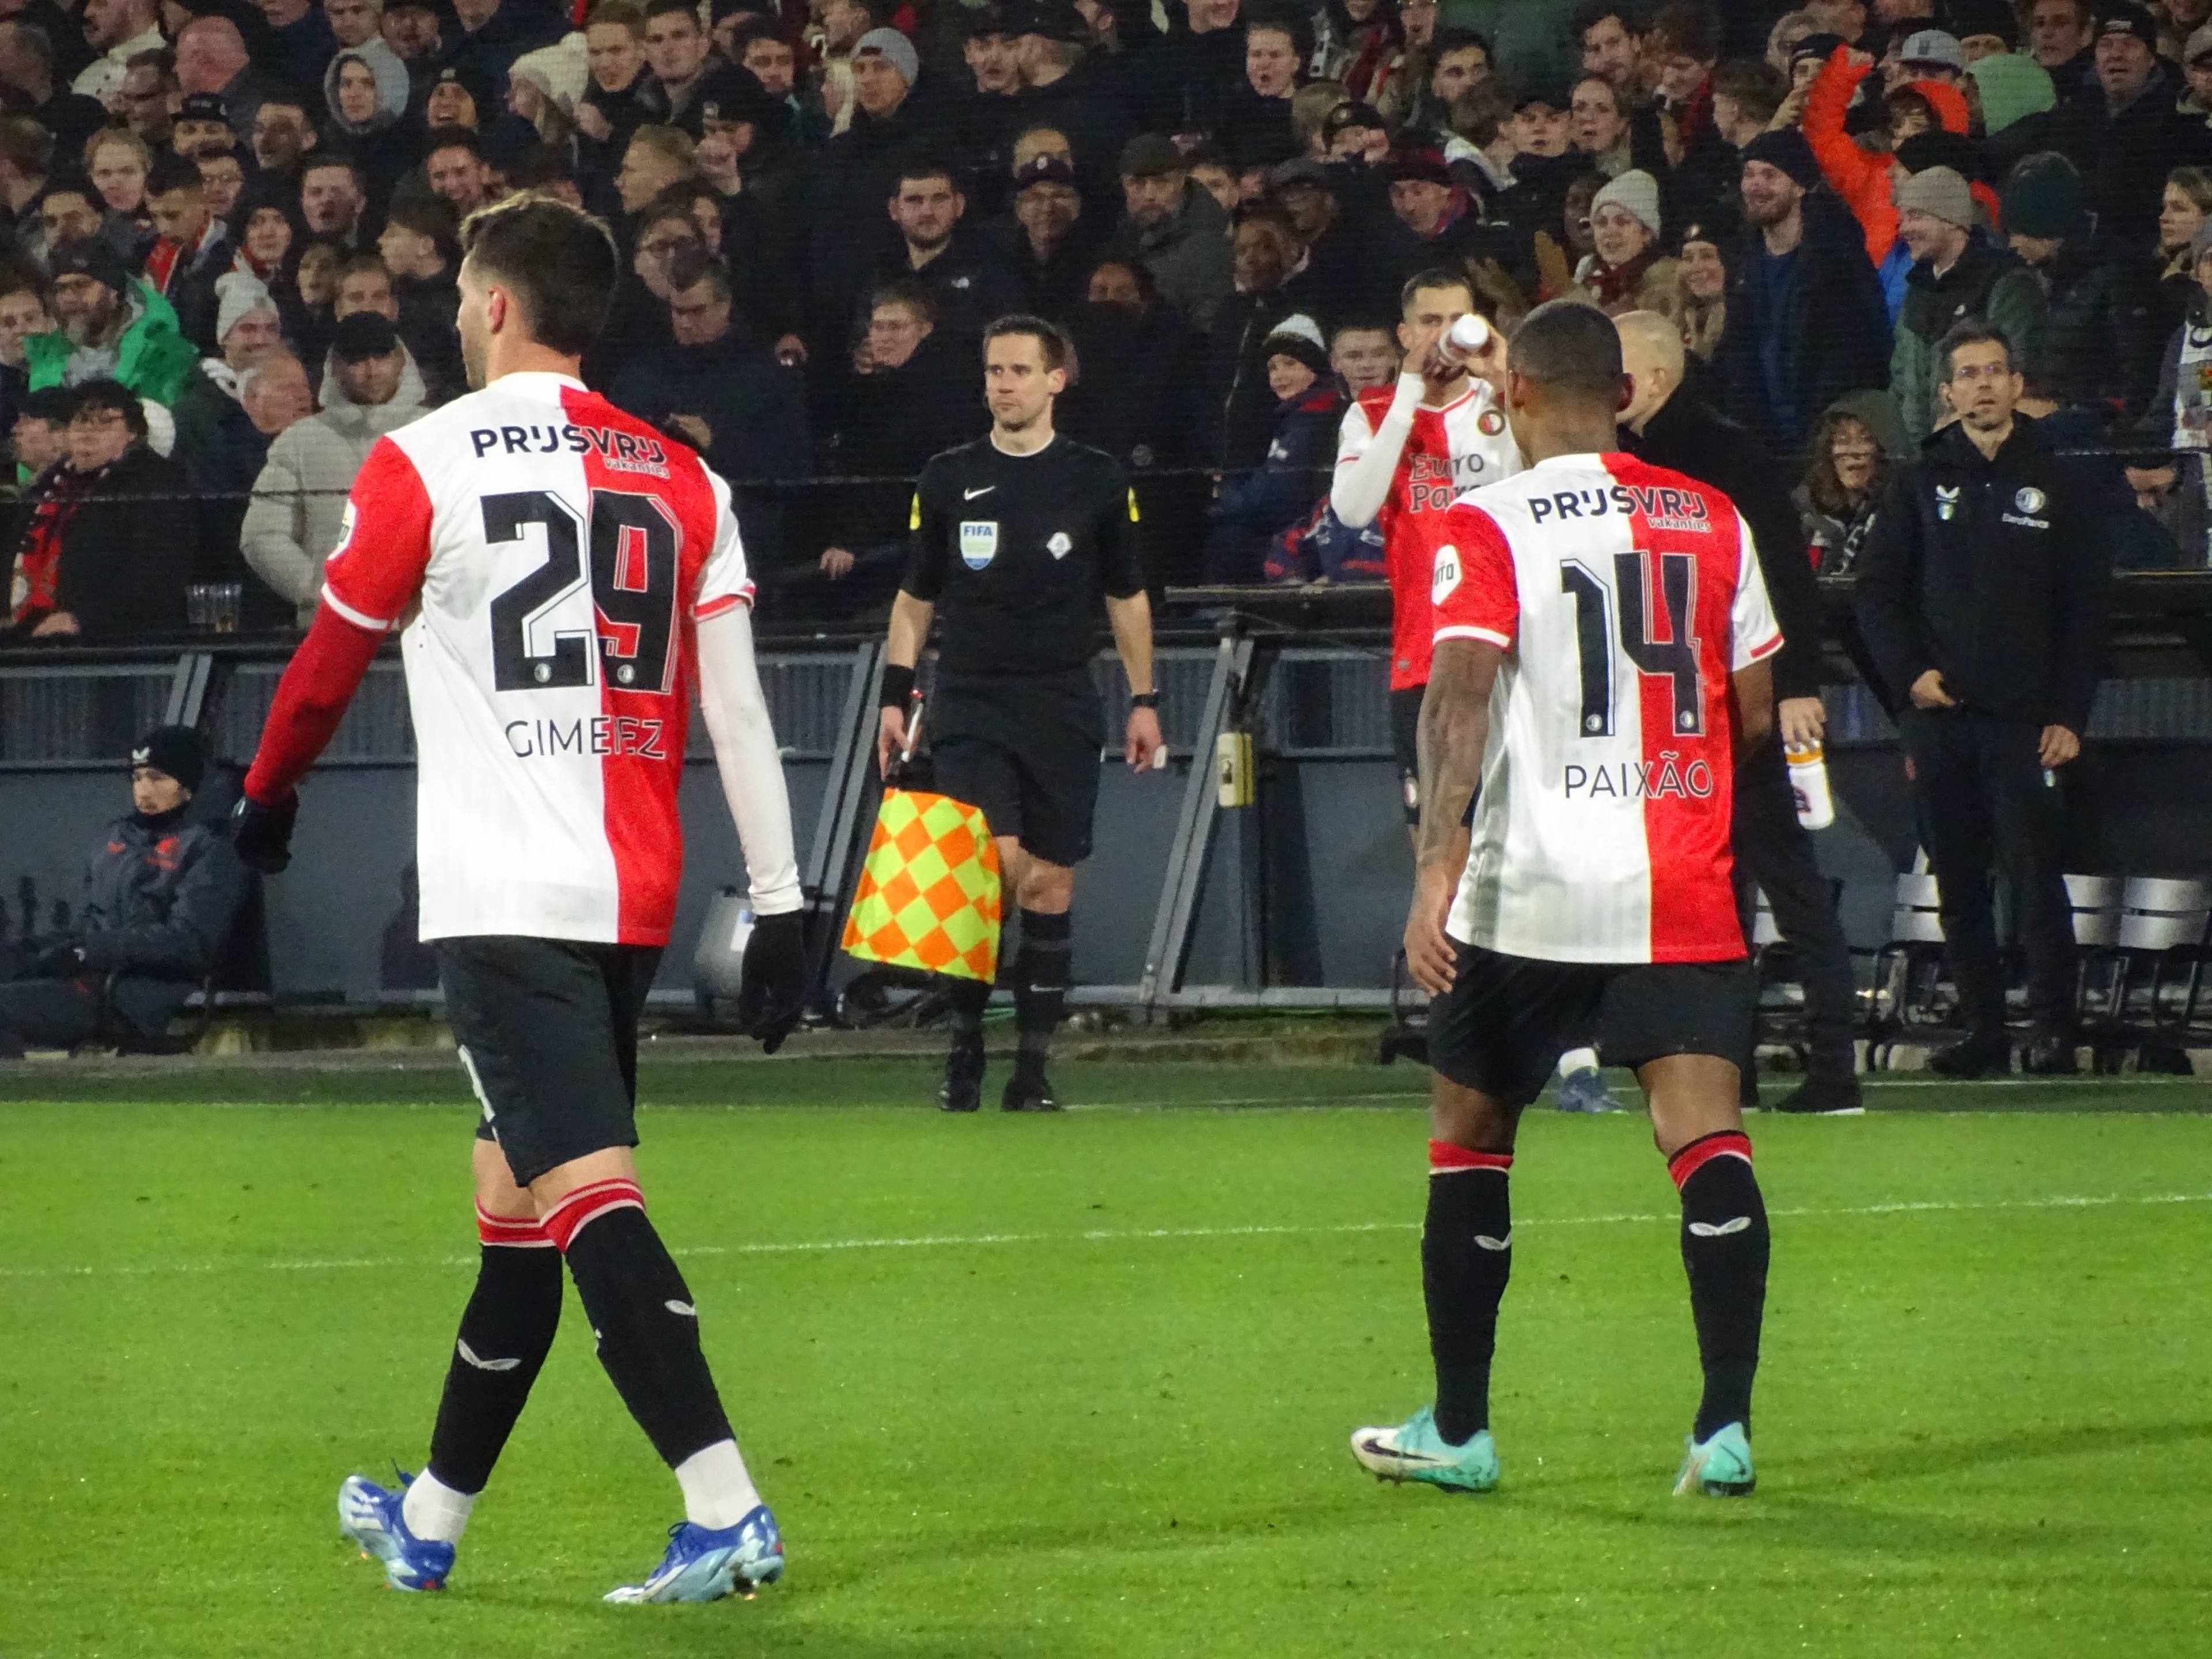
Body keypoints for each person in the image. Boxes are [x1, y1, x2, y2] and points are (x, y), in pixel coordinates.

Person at [229, 194, 809, 1604]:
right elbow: (735, 711)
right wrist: (784, 898)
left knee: (586, 1191)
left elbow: (328, 656)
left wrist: (266, 794)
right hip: (633, 887)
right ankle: (427, 1521)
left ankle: (721, 1500)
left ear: (491, 305)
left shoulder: (423, 460)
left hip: (502, 890)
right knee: (518, 1197)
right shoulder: (681, 475)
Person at [1354, 300, 1783, 1501]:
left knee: (1471, 1141)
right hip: (1678, 881)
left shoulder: (1490, 519)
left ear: (1519, 399)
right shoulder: (1714, 518)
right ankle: (1724, 1426)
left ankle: (1461, 1429)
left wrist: (1436, 866)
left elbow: (1458, 701)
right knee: (1705, 1135)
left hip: (1529, 886)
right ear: (1627, 396)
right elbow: (1752, 713)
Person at [880, 313, 1162, 1114]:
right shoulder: (947, 477)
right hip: (969, 695)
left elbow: (1126, 595)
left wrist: (1145, 701)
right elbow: (915, 597)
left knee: (1048, 884)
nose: (1001, 384)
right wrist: (894, 696)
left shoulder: (1096, 479)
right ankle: (966, 1041)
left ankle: (1031, 1070)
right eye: (992, 370)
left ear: (1054, 380)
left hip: (1062, 700)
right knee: (986, 870)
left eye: (1016, 370)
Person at [1853, 320, 2115, 1077]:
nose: (1984, 385)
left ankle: (2055, 1032)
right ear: (1947, 392)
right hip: (1938, 721)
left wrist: (2069, 715)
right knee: (1959, 882)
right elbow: (1876, 594)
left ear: (2017, 382)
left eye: (1996, 371)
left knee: (2035, 879)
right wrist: (1909, 678)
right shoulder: (1920, 478)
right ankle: (1984, 1033)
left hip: (2024, 723)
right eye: (1969, 374)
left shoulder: (2061, 480)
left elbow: (2085, 610)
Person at [1616, 309, 1861, 1115]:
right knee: (1718, 895)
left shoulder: (1725, 455)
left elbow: (1786, 575)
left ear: (1653, 377)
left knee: (1783, 884)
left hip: (1742, 705)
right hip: (1690, 709)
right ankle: (1738, 1071)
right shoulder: (1637, 457)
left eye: (1615, 370)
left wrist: (1795, 685)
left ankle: (1832, 1070)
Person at [1330, 269, 1518, 837]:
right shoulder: (1372, 412)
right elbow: (1354, 509)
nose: (1444, 335)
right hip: (1424, 652)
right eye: (1429, 321)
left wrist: (1507, 379)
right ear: (1405, 334)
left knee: (1515, 837)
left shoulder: (1509, 404)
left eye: (1456, 321)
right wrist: (1409, 395)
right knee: (1437, 844)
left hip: (1513, 652)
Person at [0, 726, 248, 1057]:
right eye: (137, 778)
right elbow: (89, 926)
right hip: (99, 981)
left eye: (157, 778)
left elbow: (191, 942)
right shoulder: (117, 839)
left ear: (188, 785)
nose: (143, 792)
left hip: (147, 992)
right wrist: (29, 953)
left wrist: (92, 952)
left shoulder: (212, 848)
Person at [241, 312, 429, 626]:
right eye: (357, 360)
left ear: (400, 360)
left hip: (425, 627)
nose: (370, 371)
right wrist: (323, 592)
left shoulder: (440, 430)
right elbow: (262, 536)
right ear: (335, 366)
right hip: (333, 628)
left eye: (380, 357)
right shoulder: (299, 442)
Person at [35, 379, 197, 639]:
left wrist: (83, 618)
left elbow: (157, 573)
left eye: (105, 423)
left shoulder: (154, 483)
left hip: (111, 638)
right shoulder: (46, 486)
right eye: (81, 421)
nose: (88, 432)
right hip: (31, 630)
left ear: (132, 432)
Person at [1797, 402, 1889, 574]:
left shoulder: (1893, 511)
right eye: (1843, 441)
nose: (1854, 452)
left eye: (1865, 440)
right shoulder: (1803, 513)